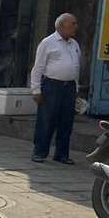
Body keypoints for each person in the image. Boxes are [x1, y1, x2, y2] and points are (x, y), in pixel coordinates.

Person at [30, 13, 81, 164]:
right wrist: (36, 90)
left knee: (66, 122)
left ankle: (61, 154)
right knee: (46, 120)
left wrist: (76, 88)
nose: (75, 27)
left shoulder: (74, 44)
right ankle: (39, 152)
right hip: (52, 85)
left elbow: (76, 67)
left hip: (69, 87)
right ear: (61, 26)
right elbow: (37, 68)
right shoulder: (48, 42)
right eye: (73, 24)